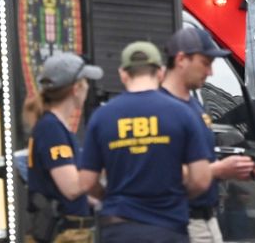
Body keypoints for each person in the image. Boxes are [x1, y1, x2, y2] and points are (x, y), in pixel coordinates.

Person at [78, 41, 213, 243]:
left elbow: (86, 182)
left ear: (123, 74)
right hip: (168, 228)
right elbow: (201, 179)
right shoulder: (182, 113)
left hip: (118, 229)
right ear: (160, 73)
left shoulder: (102, 117)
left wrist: (109, 196)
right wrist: (176, 196)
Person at [161, 27, 255, 243]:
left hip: (206, 219)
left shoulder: (193, 105)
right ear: (181, 59)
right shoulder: (160, 110)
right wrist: (219, 169)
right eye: (205, 63)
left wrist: (233, 169)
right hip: (181, 223)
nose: (210, 72)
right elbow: (160, 172)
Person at [26, 52, 104, 243]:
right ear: (76, 88)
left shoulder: (55, 126)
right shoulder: (51, 129)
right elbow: (71, 187)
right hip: (64, 235)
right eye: (85, 81)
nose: (88, 87)